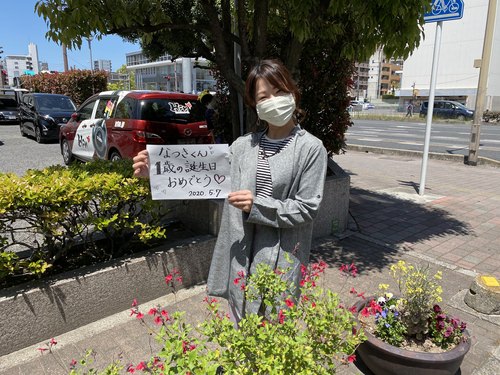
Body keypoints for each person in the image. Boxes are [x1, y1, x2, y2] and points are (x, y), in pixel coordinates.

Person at [132, 59, 328, 324]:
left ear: (292, 92)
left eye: (280, 91)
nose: (274, 100)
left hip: (280, 257)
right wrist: (156, 171)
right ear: (256, 106)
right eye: (264, 96)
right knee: (240, 328)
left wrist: (256, 205)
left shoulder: (311, 149)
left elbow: (307, 208)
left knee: (273, 333)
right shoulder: (242, 147)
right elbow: (201, 176)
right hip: (241, 254)